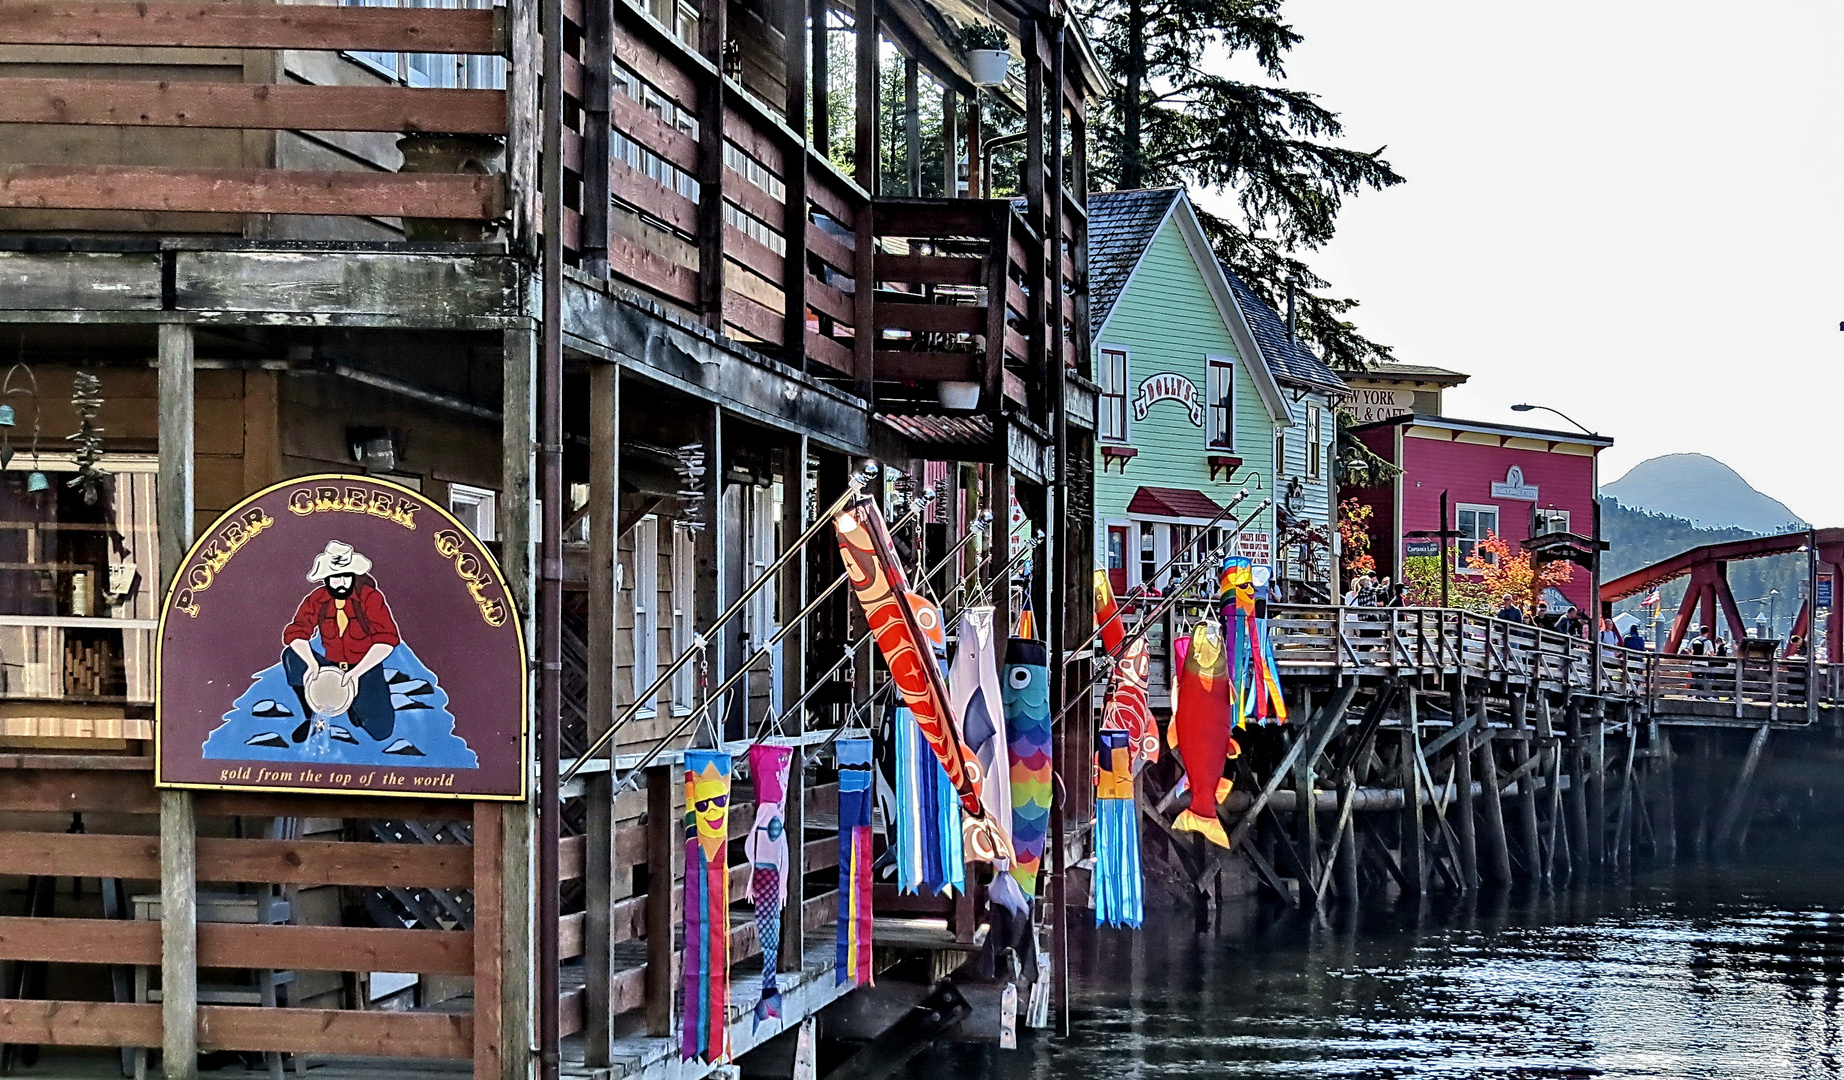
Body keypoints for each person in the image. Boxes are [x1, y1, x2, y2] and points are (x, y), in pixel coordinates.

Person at [282, 540, 402, 744]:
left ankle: (356, 709)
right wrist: (312, 664)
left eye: (345, 577)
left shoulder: (370, 598)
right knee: (291, 656)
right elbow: (296, 633)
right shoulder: (317, 599)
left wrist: (356, 674)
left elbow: (387, 640)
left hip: (365, 669)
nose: (341, 583)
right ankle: (312, 714)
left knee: (382, 732)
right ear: (326, 578)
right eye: (334, 578)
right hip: (330, 668)